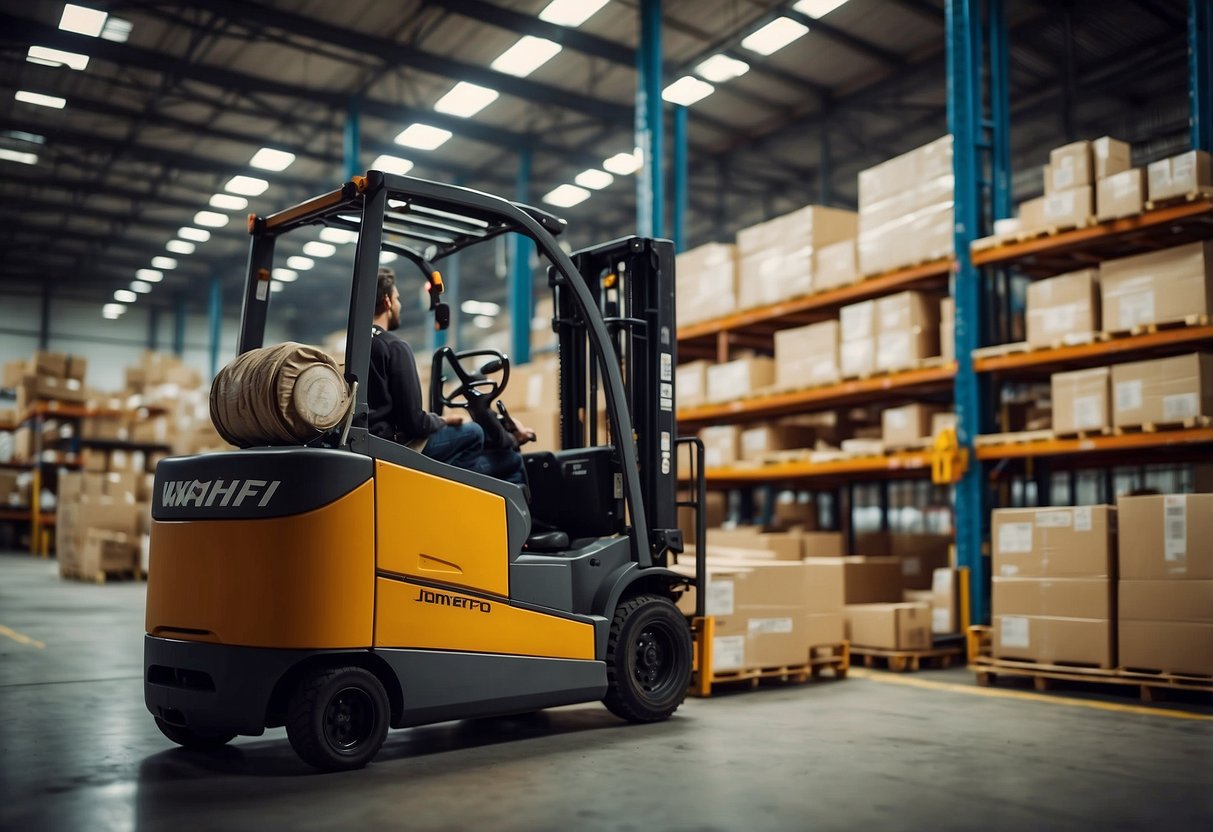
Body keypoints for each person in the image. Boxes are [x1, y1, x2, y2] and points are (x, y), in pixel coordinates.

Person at [367, 267, 531, 486]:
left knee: (467, 439)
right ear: (387, 302)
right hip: (397, 446)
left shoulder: (361, 345)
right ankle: (452, 489)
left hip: (376, 442)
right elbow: (415, 423)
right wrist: (443, 420)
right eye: (397, 299)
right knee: (476, 434)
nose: (400, 305)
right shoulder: (394, 346)